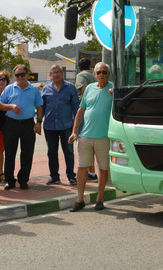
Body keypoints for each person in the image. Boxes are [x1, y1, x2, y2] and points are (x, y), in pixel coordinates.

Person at [68, 62, 113, 212]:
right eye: (99, 72)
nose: (101, 75)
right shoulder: (89, 89)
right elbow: (81, 110)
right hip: (85, 135)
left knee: (103, 168)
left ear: (109, 74)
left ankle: (99, 199)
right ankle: (79, 200)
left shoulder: (113, 89)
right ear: (94, 74)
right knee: (81, 168)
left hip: (104, 136)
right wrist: (74, 131)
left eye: (104, 72)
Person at [0, 64, 42, 190]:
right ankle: (9, 180)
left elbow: (39, 106)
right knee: (10, 153)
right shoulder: (9, 88)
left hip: (28, 124)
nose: (20, 77)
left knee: (27, 153)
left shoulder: (34, 89)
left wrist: (38, 122)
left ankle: (23, 180)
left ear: (27, 75)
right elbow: (0, 105)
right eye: (17, 75)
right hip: (11, 123)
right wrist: (11, 106)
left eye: (22, 74)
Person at [40, 65, 79, 186]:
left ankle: (71, 176)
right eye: (53, 73)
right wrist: (38, 122)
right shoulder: (45, 89)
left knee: (68, 151)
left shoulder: (70, 87)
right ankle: (54, 176)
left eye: (58, 72)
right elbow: (42, 107)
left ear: (62, 74)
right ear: (50, 75)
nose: (56, 75)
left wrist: (75, 127)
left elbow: (76, 107)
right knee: (51, 151)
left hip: (66, 126)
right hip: (49, 127)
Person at [74, 57, 99, 182]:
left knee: (84, 142)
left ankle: (91, 172)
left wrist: (84, 109)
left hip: (86, 112)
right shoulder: (94, 76)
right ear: (90, 67)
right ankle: (93, 171)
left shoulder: (81, 76)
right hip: (96, 111)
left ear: (79, 68)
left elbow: (84, 91)